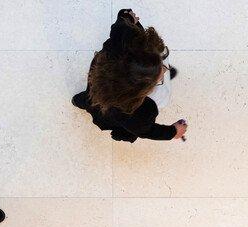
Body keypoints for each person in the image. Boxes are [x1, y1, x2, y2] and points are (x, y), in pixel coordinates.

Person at [72, 9, 186, 143]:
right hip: (114, 117)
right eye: (159, 77)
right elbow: (146, 130)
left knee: (89, 98)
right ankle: (119, 131)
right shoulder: (141, 110)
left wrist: (126, 17)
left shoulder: (120, 43)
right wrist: (172, 132)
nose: (164, 71)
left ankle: (80, 100)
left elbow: (119, 27)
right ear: (138, 90)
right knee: (124, 128)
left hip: (99, 78)